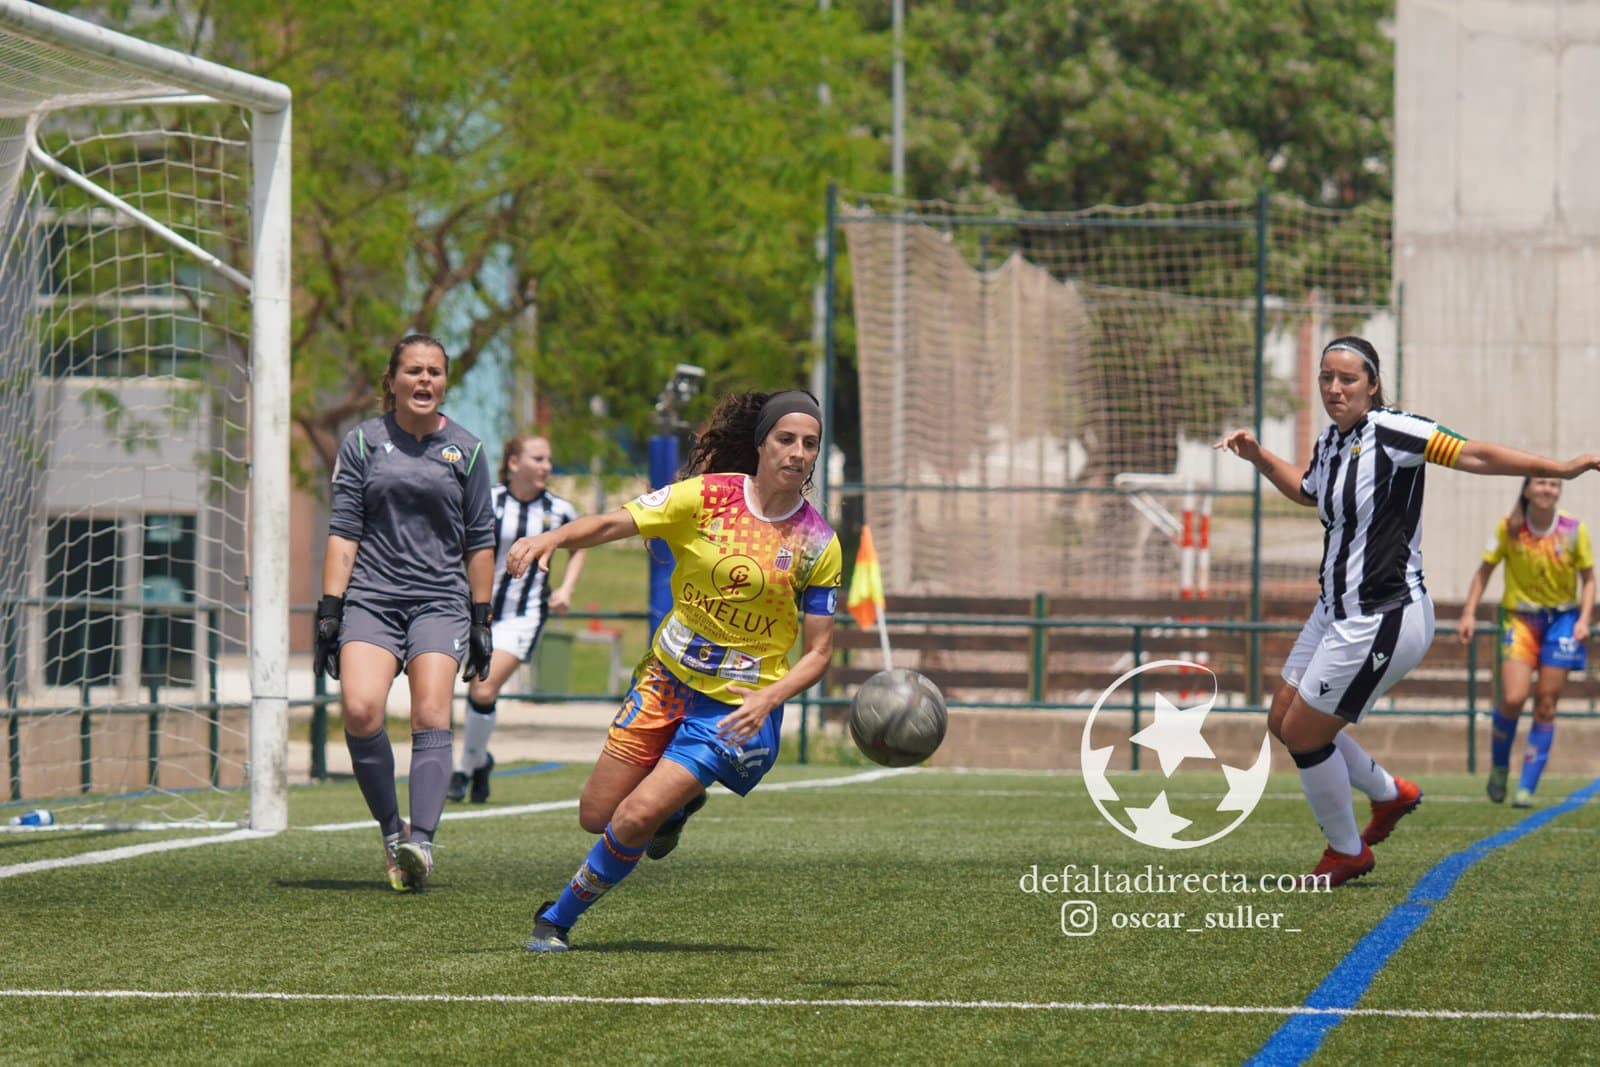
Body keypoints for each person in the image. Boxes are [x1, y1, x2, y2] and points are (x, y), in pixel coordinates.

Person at [1216, 335, 1600, 887]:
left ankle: (1346, 852)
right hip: (1334, 610)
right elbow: (1306, 491)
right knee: (1282, 719)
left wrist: (1557, 469)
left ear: (1372, 384)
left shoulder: (1394, 431)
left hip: (1383, 614)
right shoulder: (1331, 441)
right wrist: (1257, 457)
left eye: (1348, 378)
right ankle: (1389, 794)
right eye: (1327, 376)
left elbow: (1472, 453)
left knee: (1304, 734)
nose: (1334, 387)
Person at [506, 389, 841, 951]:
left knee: (634, 817)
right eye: (786, 439)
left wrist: (767, 699)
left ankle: (557, 919)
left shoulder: (818, 543)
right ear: (761, 444)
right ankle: (680, 806)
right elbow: (617, 524)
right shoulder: (707, 497)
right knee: (598, 815)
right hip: (666, 677)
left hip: (735, 708)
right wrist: (553, 537)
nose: (798, 453)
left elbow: (820, 653)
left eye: (810, 444)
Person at [313, 334, 495, 892]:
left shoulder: (466, 450)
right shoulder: (363, 443)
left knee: (431, 714)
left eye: (435, 372)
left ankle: (422, 844)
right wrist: (329, 611)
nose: (424, 381)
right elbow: (344, 529)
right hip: (371, 598)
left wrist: (481, 617)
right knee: (362, 711)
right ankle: (393, 833)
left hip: (439, 601)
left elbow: (481, 538)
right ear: (390, 381)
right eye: (413, 371)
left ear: (444, 383)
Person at [448, 434, 586, 804]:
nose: (546, 466)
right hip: (469, 609)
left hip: (522, 614)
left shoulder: (559, 511)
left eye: (548, 460)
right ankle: (481, 761)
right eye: (538, 458)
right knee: (468, 688)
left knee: (483, 687)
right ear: (513, 463)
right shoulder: (485, 500)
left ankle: (462, 769)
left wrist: (565, 590)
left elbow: (578, 547)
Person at [1458, 477, 1593, 807]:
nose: (1548, 489)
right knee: (1514, 697)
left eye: (1554, 484)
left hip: (1562, 621)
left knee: (1546, 703)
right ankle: (1500, 766)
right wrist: (1469, 613)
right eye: (1542, 483)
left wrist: (1584, 619)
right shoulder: (1510, 527)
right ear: (1528, 489)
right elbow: (1484, 571)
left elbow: (1588, 579)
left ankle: (1527, 787)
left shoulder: (1574, 529)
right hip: (1519, 620)